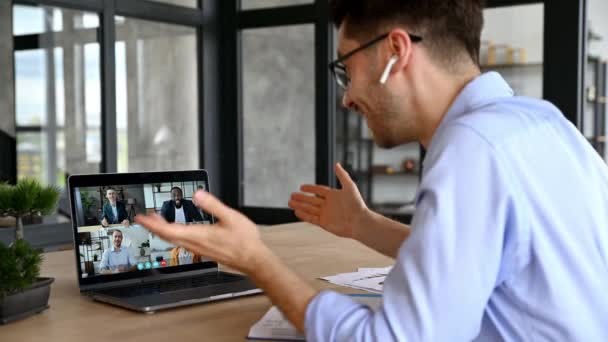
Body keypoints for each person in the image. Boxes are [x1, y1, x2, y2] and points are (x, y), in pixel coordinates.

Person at [136, 0, 608, 340]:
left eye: (346, 69)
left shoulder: (471, 150)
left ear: (395, 51)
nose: (346, 96)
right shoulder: (545, 124)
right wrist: (364, 226)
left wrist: (257, 260)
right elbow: (479, 263)